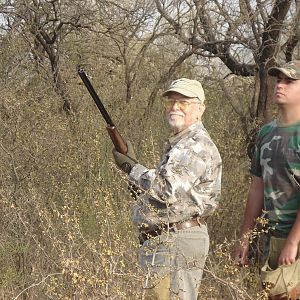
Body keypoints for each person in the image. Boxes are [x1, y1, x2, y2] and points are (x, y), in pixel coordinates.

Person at [113, 78, 222, 300]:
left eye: (183, 102)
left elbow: (166, 188)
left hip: (175, 241)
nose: (174, 107)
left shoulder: (195, 144)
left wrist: (133, 168)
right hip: (167, 241)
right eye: (171, 101)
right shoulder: (181, 144)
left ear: (200, 109)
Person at [234, 60, 300, 299]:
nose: (280, 85)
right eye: (278, 80)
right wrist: (245, 239)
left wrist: (293, 242)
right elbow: (256, 187)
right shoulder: (266, 132)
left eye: (289, 81)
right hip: (270, 238)